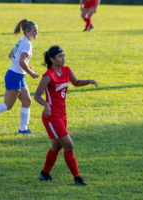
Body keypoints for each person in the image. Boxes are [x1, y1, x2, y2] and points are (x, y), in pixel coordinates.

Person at [34, 46, 98, 186]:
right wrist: (46, 105)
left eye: (64, 55)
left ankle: (44, 174)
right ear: (52, 59)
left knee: (56, 147)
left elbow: (75, 82)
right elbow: (37, 95)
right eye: (60, 56)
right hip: (51, 117)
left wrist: (89, 81)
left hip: (62, 115)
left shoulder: (67, 70)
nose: (63, 58)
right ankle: (77, 178)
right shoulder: (48, 76)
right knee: (69, 145)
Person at [0, 19, 39, 134]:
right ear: (28, 31)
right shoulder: (27, 44)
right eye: (35, 31)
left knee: (27, 101)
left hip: (17, 76)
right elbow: (21, 62)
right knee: (7, 105)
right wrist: (31, 72)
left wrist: (26, 67)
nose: (36, 33)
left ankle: (23, 129)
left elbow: (11, 56)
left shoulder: (21, 41)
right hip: (14, 76)